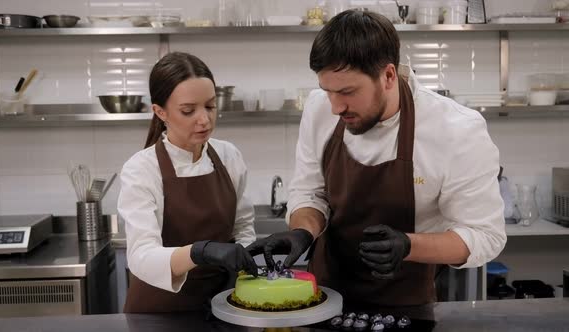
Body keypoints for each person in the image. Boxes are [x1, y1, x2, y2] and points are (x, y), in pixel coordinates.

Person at [247, 10, 506, 316]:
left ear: (388, 76)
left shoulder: (456, 130)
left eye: (347, 92)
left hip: (405, 304)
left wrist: (408, 246)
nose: (335, 107)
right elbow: (310, 192)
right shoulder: (320, 109)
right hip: (323, 296)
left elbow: (485, 236)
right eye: (327, 91)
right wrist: (302, 232)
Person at [118, 52, 257, 313]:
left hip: (224, 305)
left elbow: (243, 225)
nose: (204, 119)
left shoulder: (228, 156)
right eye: (188, 110)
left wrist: (243, 264)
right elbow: (140, 257)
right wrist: (198, 252)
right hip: (160, 312)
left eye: (210, 106)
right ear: (160, 112)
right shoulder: (142, 169)